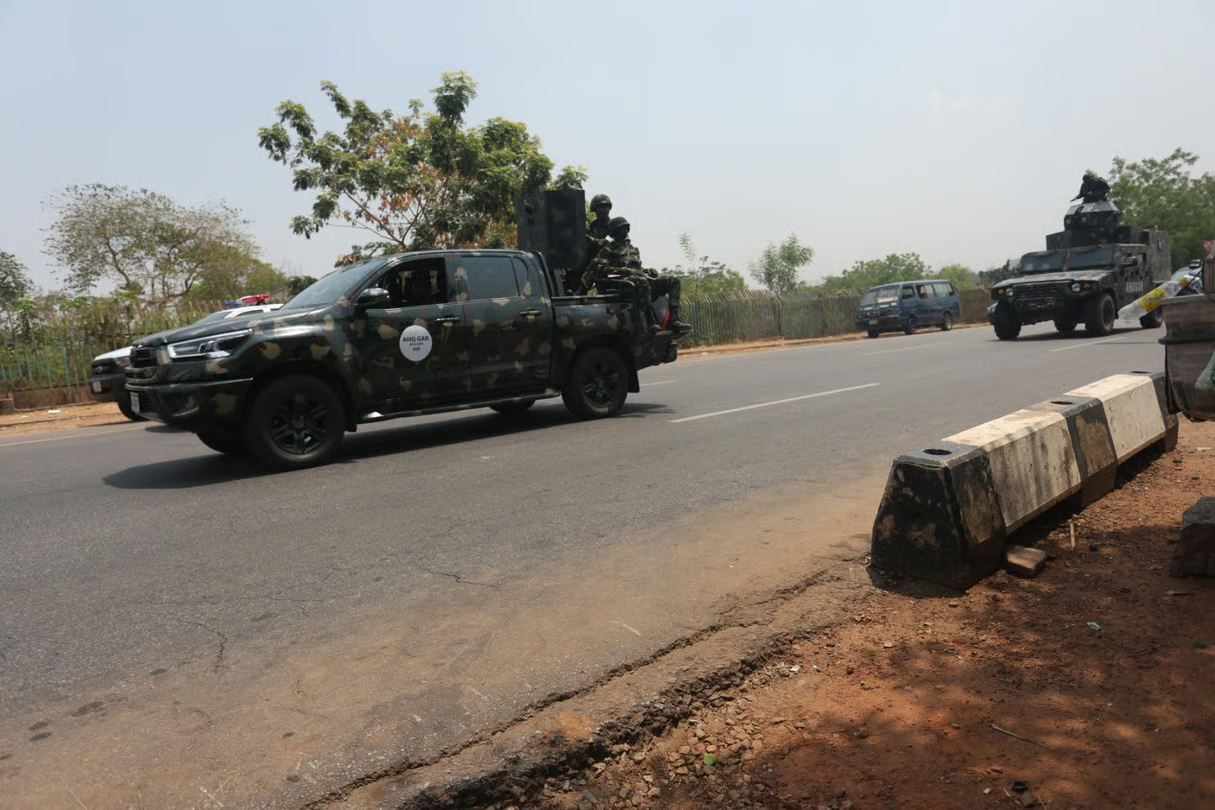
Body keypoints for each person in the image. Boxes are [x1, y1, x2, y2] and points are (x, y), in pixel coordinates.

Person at [584, 217, 692, 336]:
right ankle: (651, 321)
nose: (624, 231)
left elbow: (638, 269)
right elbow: (601, 269)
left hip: (638, 279)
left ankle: (674, 319)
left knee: (672, 280)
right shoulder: (607, 250)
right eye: (621, 229)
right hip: (621, 284)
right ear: (614, 232)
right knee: (642, 281)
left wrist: (648, 270)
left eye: (626, 228)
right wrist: (626, 271)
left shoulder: (633, 250)